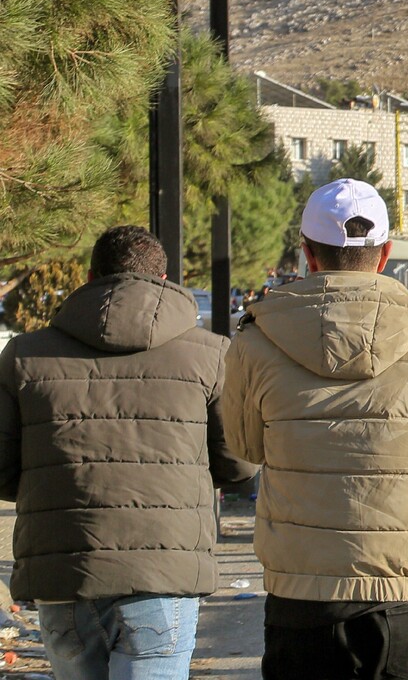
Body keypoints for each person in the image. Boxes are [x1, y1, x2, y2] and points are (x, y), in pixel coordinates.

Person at [223, 179, 408, 680]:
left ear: (308, 253)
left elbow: (246, 447)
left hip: (302, 587)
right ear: (384, 255)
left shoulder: (257, 337)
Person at [0, 226, 256, 680]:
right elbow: (239, 464)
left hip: (64, 571)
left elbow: (2, 470)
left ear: (90, 277)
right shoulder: (211, 355)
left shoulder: (24, 355)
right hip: (163, 570)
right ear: (163, 279)